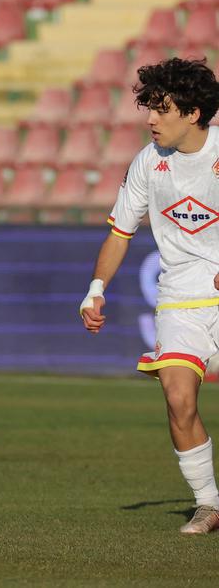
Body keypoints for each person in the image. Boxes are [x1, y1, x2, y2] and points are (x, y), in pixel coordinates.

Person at [80, 57, 219, 534]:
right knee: (178, 399)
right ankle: (208, 504)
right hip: (180, 299)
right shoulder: (147, 161)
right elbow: (121, 232)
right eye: (148, 108)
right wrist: (96, 290)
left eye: (161, 109)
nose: (150, 119)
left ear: (193, 113)